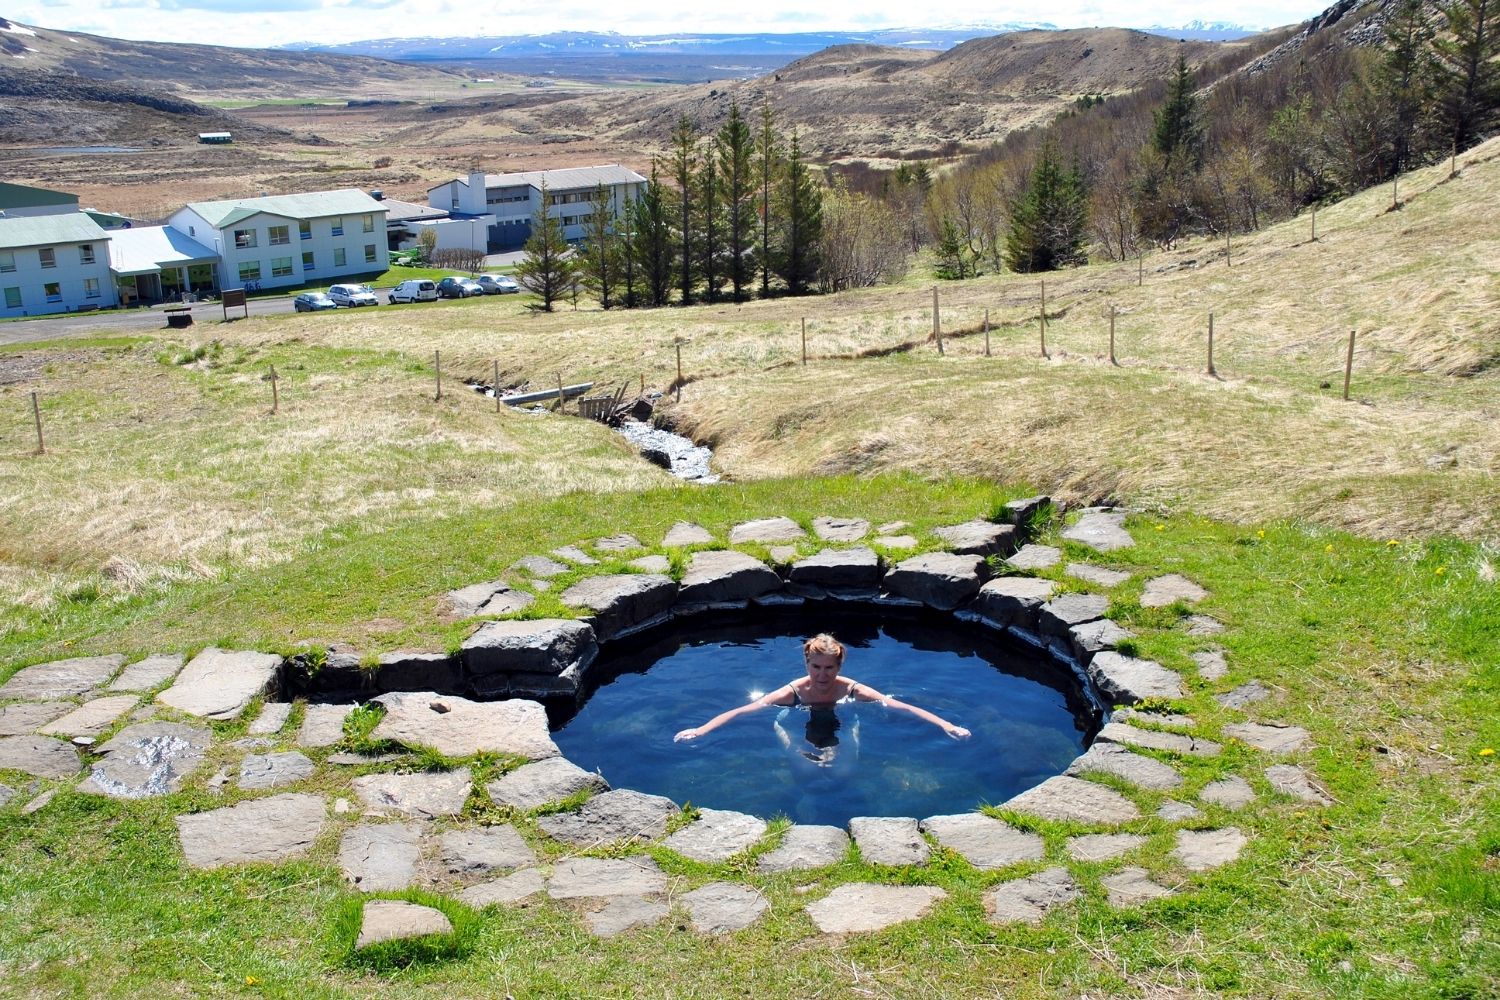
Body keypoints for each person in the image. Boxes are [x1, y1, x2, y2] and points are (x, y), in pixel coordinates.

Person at [673, 633, 971, 743]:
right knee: (805, 755)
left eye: (829, 668)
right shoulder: (792, 693)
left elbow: (902, 707)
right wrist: (701, 730)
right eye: (816, 667)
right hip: (796, 717)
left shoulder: (852, 690)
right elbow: (742, 712)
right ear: (807, 664)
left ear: (839, 668)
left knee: (841, 762)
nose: (822, 675)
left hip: (842, 715)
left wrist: (946, 725)